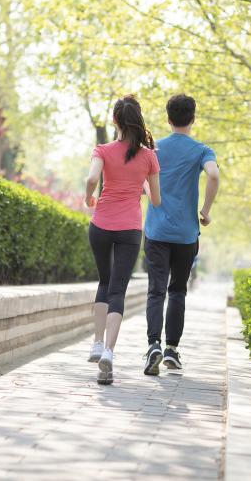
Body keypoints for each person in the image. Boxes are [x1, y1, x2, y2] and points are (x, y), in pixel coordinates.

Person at [84, 94, 161, 385]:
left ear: (115, 120)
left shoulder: (102, 150)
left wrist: (88, 196)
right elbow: (156, 199)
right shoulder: (149, 157)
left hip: (100, 224)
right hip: (129, 229)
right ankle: (108, 353)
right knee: (118, 289)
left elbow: (92, 179)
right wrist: (139, 183)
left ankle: (95, 341)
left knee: (104, 283)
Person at [142, 94, 219, 376]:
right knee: (177, 290)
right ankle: (172, 350)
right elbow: (213, 176)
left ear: (168, 118)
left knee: (156, 289)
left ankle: (153, 345)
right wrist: (206, 210)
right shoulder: (201, 150)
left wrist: (150, 194)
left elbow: (142, 181)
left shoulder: (154, 148)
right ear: (193, 118)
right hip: (186, 234)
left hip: (156, 231)